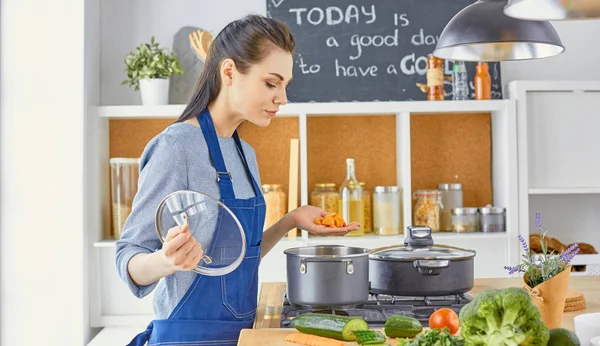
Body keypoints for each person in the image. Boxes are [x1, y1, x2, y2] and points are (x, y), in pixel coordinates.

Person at [116, 14, 359, 346]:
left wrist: (290, 220)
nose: (283, 98)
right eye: (271, 83)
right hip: (189, 339)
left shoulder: (244, 153)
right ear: (229, 72)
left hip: (242, 337)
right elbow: (128, 258)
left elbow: (236, 257)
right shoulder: (176, 147)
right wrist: (164, 261)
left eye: (285, 85)